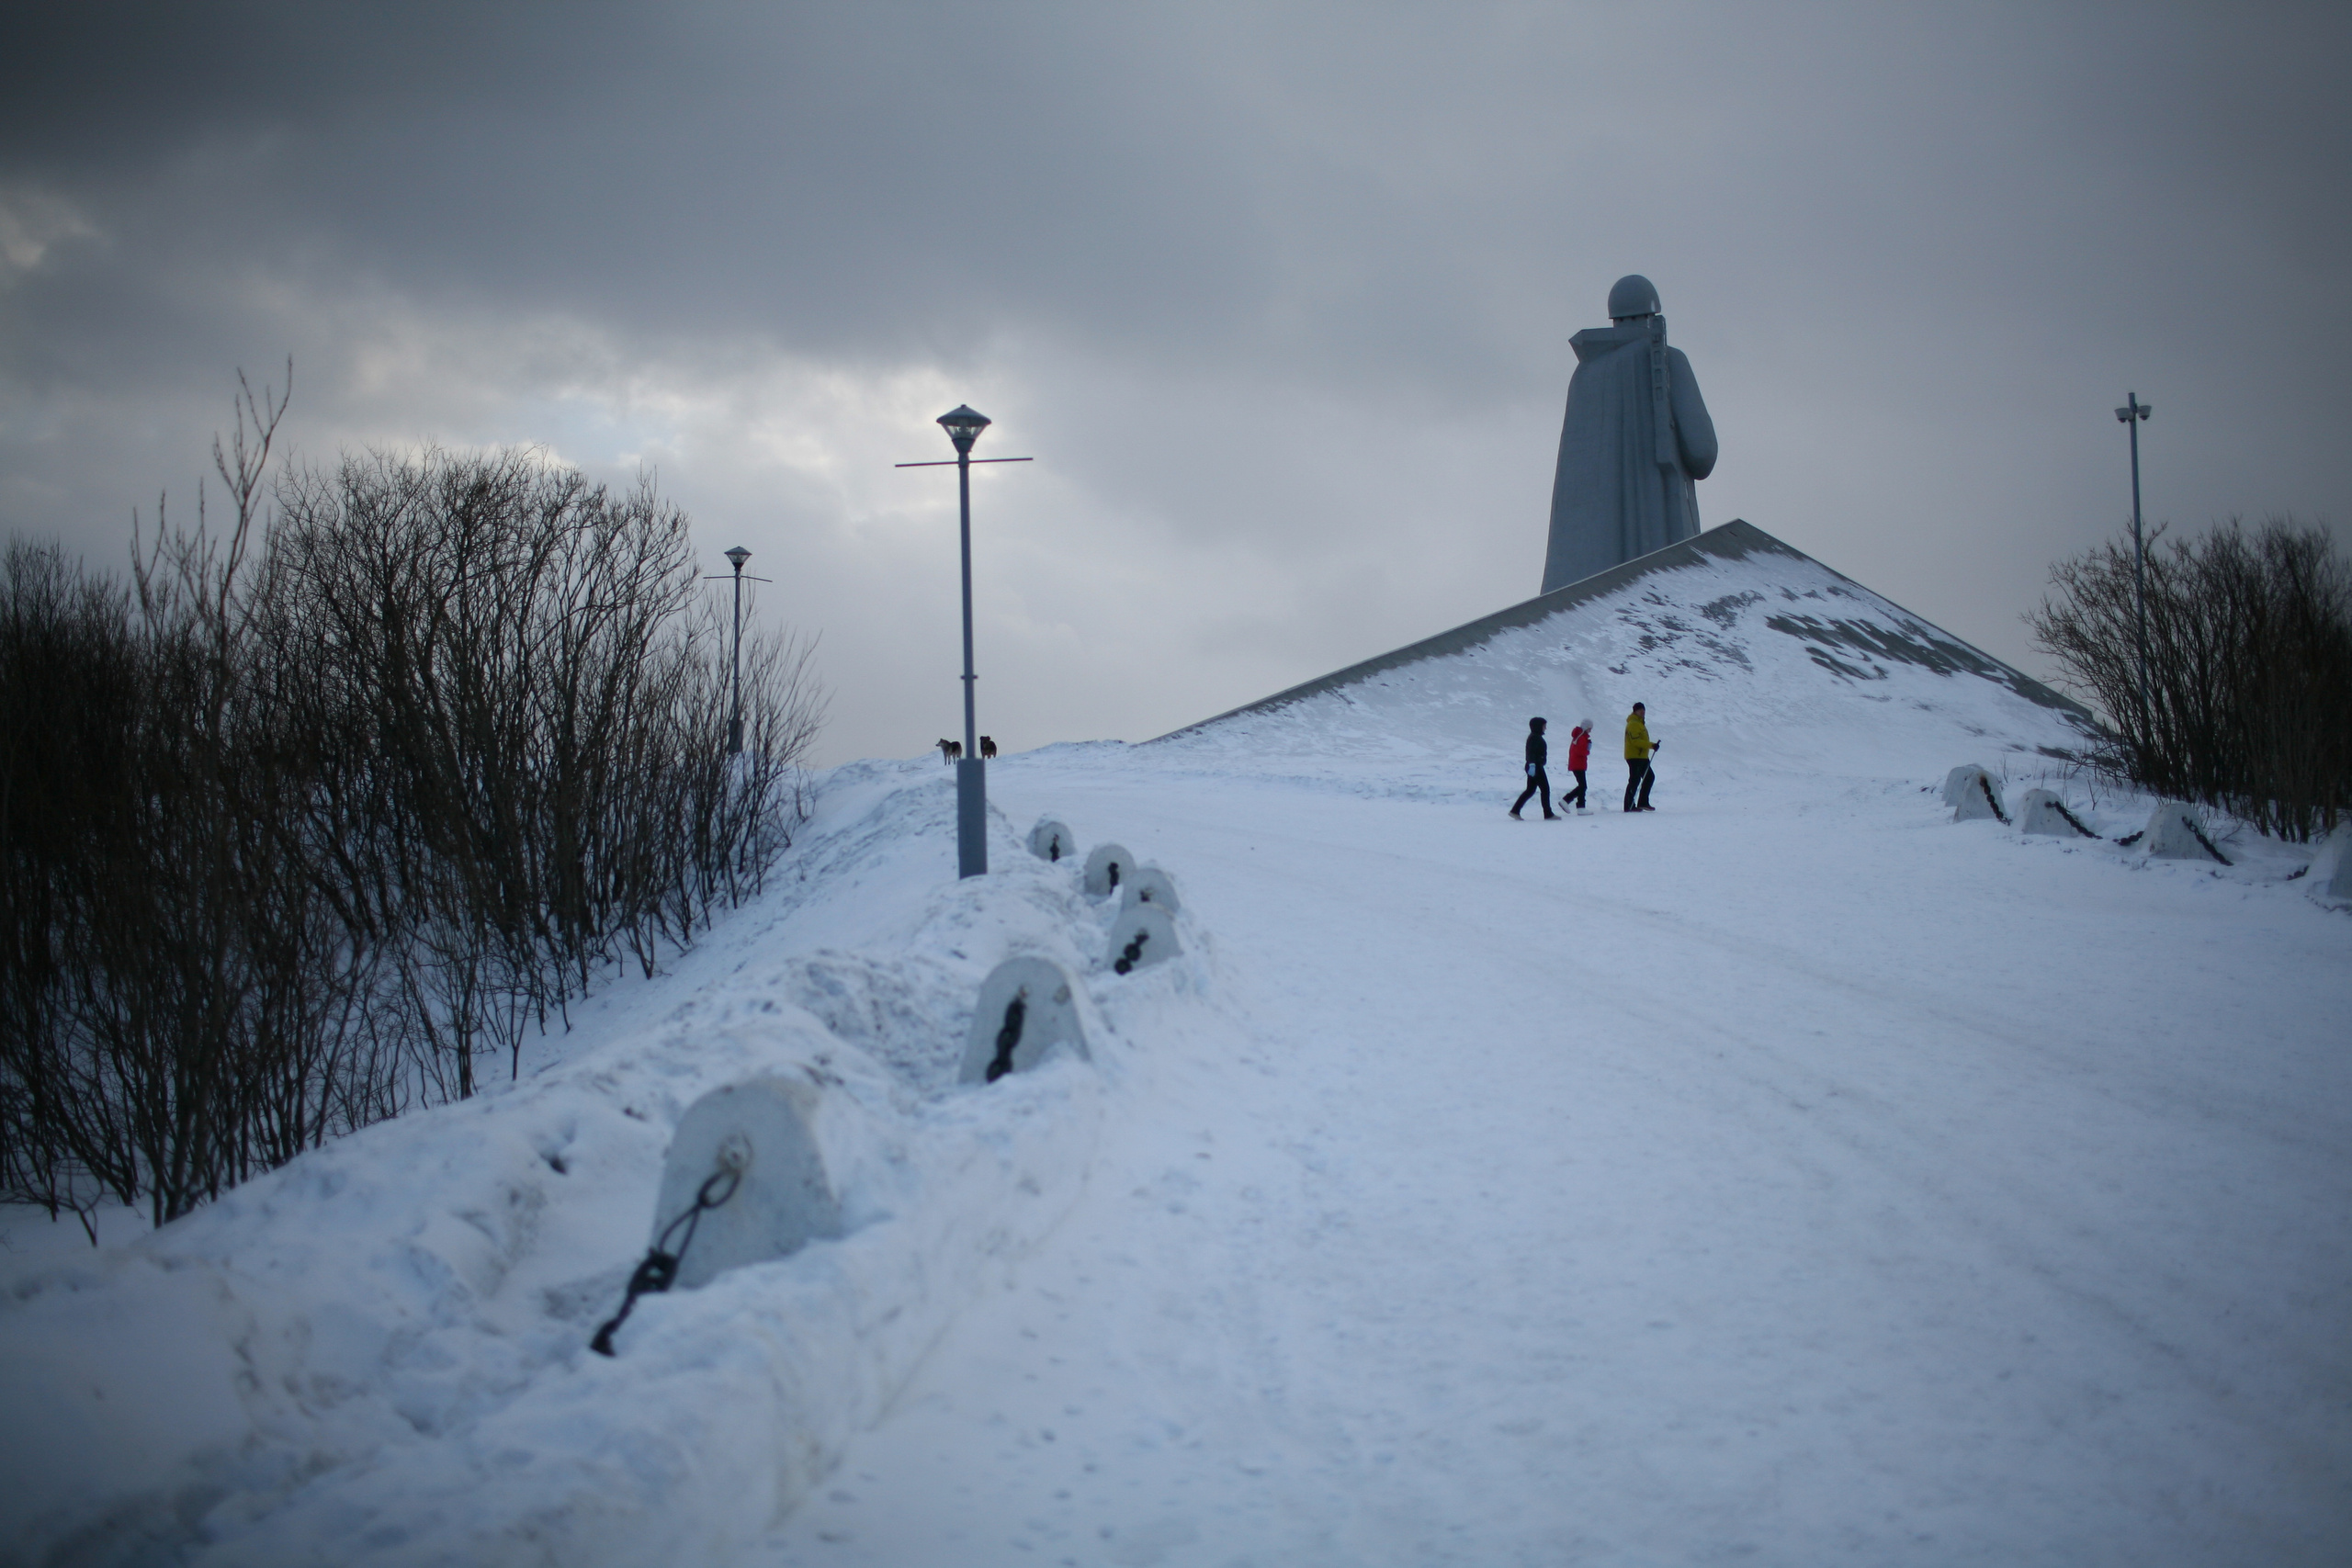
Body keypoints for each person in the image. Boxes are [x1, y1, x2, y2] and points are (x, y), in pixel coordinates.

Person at [1540, 275, 1720, 595]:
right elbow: (1702, 453)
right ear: (1653, 314)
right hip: (1663, 552)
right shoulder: (1668, 360)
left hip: (1585, 586)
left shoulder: (1585, 376)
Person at [1510, 716, 1557, 819]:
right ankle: (1548, 814)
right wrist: (1532, 765)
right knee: (1545, 789)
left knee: (1530, 790)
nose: (1545, 728)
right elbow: (1531, 753)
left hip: (1534, 766)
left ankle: (1515, 811)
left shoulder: (1535, 737)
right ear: (1538, 726)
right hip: (1536, 766)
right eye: (1544, 726)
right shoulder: (1535, 738)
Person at [1623, 703, 1659, 812]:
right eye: (1640, 710)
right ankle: (1629, 805)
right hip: (1635, 756)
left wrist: (1651, 746)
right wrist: (1651, 745)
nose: (1642, 712)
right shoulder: (1633, 724)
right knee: (1635, 780)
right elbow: (1635, 741)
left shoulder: (1640, 723)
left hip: (1642, 756)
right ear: (1635, 711)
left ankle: (1642, 802)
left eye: (1643, 710)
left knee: (1649, 777)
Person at [1564, 718, 1592, 811]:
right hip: (1578, 764)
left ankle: (1581, 806)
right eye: (1589, 728)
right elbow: (1580, 751)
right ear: (1586, 727)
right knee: (1583, 786)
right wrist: (1588, 750)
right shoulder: (1581, 737)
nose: (1590, 731)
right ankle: (1566, 800)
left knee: (1582, 785)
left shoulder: (1579, 737)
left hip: (1577, 764)